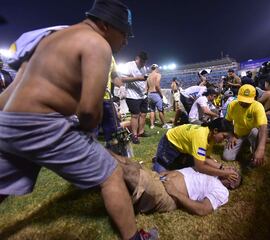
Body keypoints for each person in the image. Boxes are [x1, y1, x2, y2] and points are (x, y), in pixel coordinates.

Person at [0, 1, 157, 239]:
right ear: (105, 25)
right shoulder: (97, 44)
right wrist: (87, 132)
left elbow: (13, 89)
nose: (126, 41)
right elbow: (88, 111)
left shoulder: (52, 36)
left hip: (7, 122)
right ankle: (134, 237)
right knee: (111, 174)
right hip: (41, 124)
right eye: (124, 33)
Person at [114, 155, 241, 216]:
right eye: (231, 168)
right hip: (159, 178)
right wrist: (167, 173)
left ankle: (95, 153)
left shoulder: (222, 190)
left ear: (233, 185)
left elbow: (203, 209)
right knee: (125, 161)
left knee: (127, 170)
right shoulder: (213, 172)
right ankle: (94, 145)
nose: (230, 169)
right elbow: (201, 160)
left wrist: (174, 192)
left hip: (167, 194)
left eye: (234, 173)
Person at [152, 118, 239, 183]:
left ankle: (170, 159)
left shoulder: (211, 136)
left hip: (182, 148)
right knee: (162, 178)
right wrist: (224, 173)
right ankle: (159, 159)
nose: (224, 140)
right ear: (215, 131)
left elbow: (205, 157)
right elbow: (200, 167)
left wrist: (222, 167)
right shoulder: (201, 137)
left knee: (189, 169)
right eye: (224, 136)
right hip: (169, 144)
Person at [223, 84, 268, 166]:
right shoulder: (232, 105)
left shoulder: (258, 106)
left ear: (254, 98)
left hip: (251, 131)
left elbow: (263, 127)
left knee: (255, 132)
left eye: (247, 101)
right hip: (238, 133)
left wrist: (261, 149)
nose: (243, 103)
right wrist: (231, 135)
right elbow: (226, 121)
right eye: (242, 100)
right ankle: (244, 144)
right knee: (227, 157)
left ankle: (255, 150)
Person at [120, 51, 149, 144]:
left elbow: (144, 80)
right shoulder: (129, 65)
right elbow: (122, 79)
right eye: (142, 61)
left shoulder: (144, 68)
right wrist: (137, 78)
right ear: (137, 58)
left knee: (144, 114)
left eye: (145, 61)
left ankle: (141, 132)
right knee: (135, 115)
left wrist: (146, 89)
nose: (143, 63)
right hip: (132, 95)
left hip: (143, 95)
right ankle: (134, 135)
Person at [147, 64, 170, 129]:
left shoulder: (148, 76)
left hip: (149, 94)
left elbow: (146, 87)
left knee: (152, 110)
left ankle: (152, 125)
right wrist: (161, 95)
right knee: (161, 110)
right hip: (155, 94)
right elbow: (157, 85)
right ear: (156, 68)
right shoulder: (158, 75)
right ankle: (164, 124)